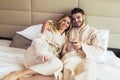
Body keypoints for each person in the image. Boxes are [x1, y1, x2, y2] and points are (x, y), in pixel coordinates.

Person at [3, 14, 72, 80]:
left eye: (68, 23)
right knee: (58, 64)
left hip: (49, 59)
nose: (65, 23)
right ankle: (18, 73)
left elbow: (63, 51)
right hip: (39, 53)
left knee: (58, 76)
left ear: (69, 26)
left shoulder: (65, 38)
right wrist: (43, 52)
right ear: (60, 20)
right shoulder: (50, 28)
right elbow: (39, 39)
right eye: (64, 20)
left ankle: (24, 79)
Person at [61, 8, 108, 80]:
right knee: (69, 72)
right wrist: (48, 23)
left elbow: (99, 48)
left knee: (88, 72)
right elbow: (57, 25)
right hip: (70, 58)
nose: (76, 20)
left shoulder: (93, 32)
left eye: (78, 17)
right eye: (73, 19)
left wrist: (81, 47)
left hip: (86, 58)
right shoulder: (69, 30)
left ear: (83, 16)